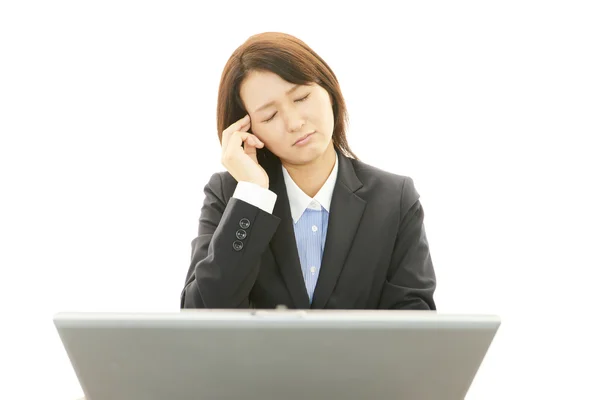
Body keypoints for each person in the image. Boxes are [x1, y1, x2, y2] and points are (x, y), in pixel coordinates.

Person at [180, 32, 436, 310]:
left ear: (329, 90)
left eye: (301, 97)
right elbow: (200, 314)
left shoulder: (394, 199)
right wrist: (253, 198)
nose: (294, 122)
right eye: (269, 116)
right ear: (248, 130)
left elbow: (415, 325)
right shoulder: (232, 195)